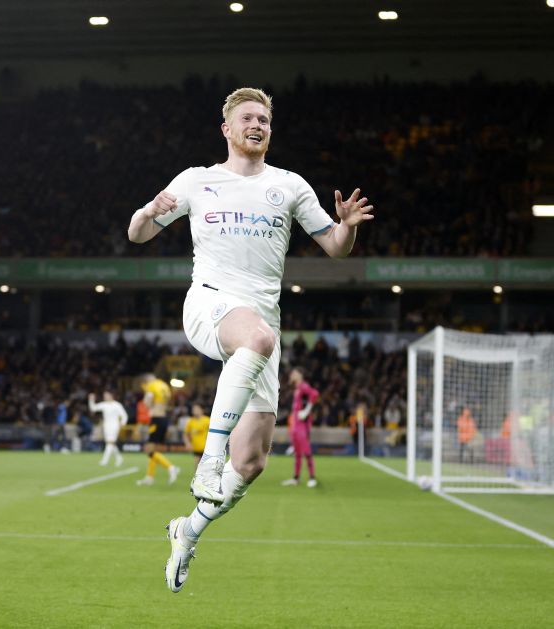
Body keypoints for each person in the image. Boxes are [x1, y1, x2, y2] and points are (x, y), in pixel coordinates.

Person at [126, 87, 373, 592]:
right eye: (247, 118)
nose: (257, 124)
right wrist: (149, 210)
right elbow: (137, 235)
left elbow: (335, 248)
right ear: (227, 129)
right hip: (210, 304)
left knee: (253, 461)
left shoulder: (289, 186)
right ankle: (207, 461)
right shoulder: (197, 181)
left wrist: (346, 227)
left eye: (264, 118)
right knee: (255, 342)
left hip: (262, 327)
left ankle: (187, 530)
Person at [136, 374, 180, 486]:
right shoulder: (164, 385)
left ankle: (171, 467)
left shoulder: (151, 386)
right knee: (153, 449)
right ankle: (149, 477)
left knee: (148, 449)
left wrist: (148, 405)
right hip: (164, 418)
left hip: (156, 419)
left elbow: (147, 402)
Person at [282, 368, 320, 487]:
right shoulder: (297, 389)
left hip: (302, 425)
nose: (292, 375)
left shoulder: (303, 386)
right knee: (297, 453)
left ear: (300, 375)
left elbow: (315, 394)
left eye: (294, 373)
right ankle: (296, 478)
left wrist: (306, 411)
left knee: (306, 451)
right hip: (296, 424)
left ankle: (312, 477)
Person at [89, 390, 128, 466]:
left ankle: (104, 460)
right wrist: (91, 400)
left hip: (114, 425)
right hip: (106, 426)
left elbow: (124, 415)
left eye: (106, 395)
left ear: (111, 395)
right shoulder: (104, 405)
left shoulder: (117, 405)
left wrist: (122, 423)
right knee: (111, 443)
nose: (105, 397)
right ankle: (119, 458)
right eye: (104, 395)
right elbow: (93, 408)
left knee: (110, 442)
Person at [182, 404, 211, 468]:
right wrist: (187, 443)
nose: (195, 411)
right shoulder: (191, 421)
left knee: (206, 466)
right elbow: (185, 434)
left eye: (197, 409)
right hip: (196, 448)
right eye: (194, 409)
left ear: (201, 410)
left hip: (206, 448)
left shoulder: (207, 420)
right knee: (197, 466)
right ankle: (197, 477)